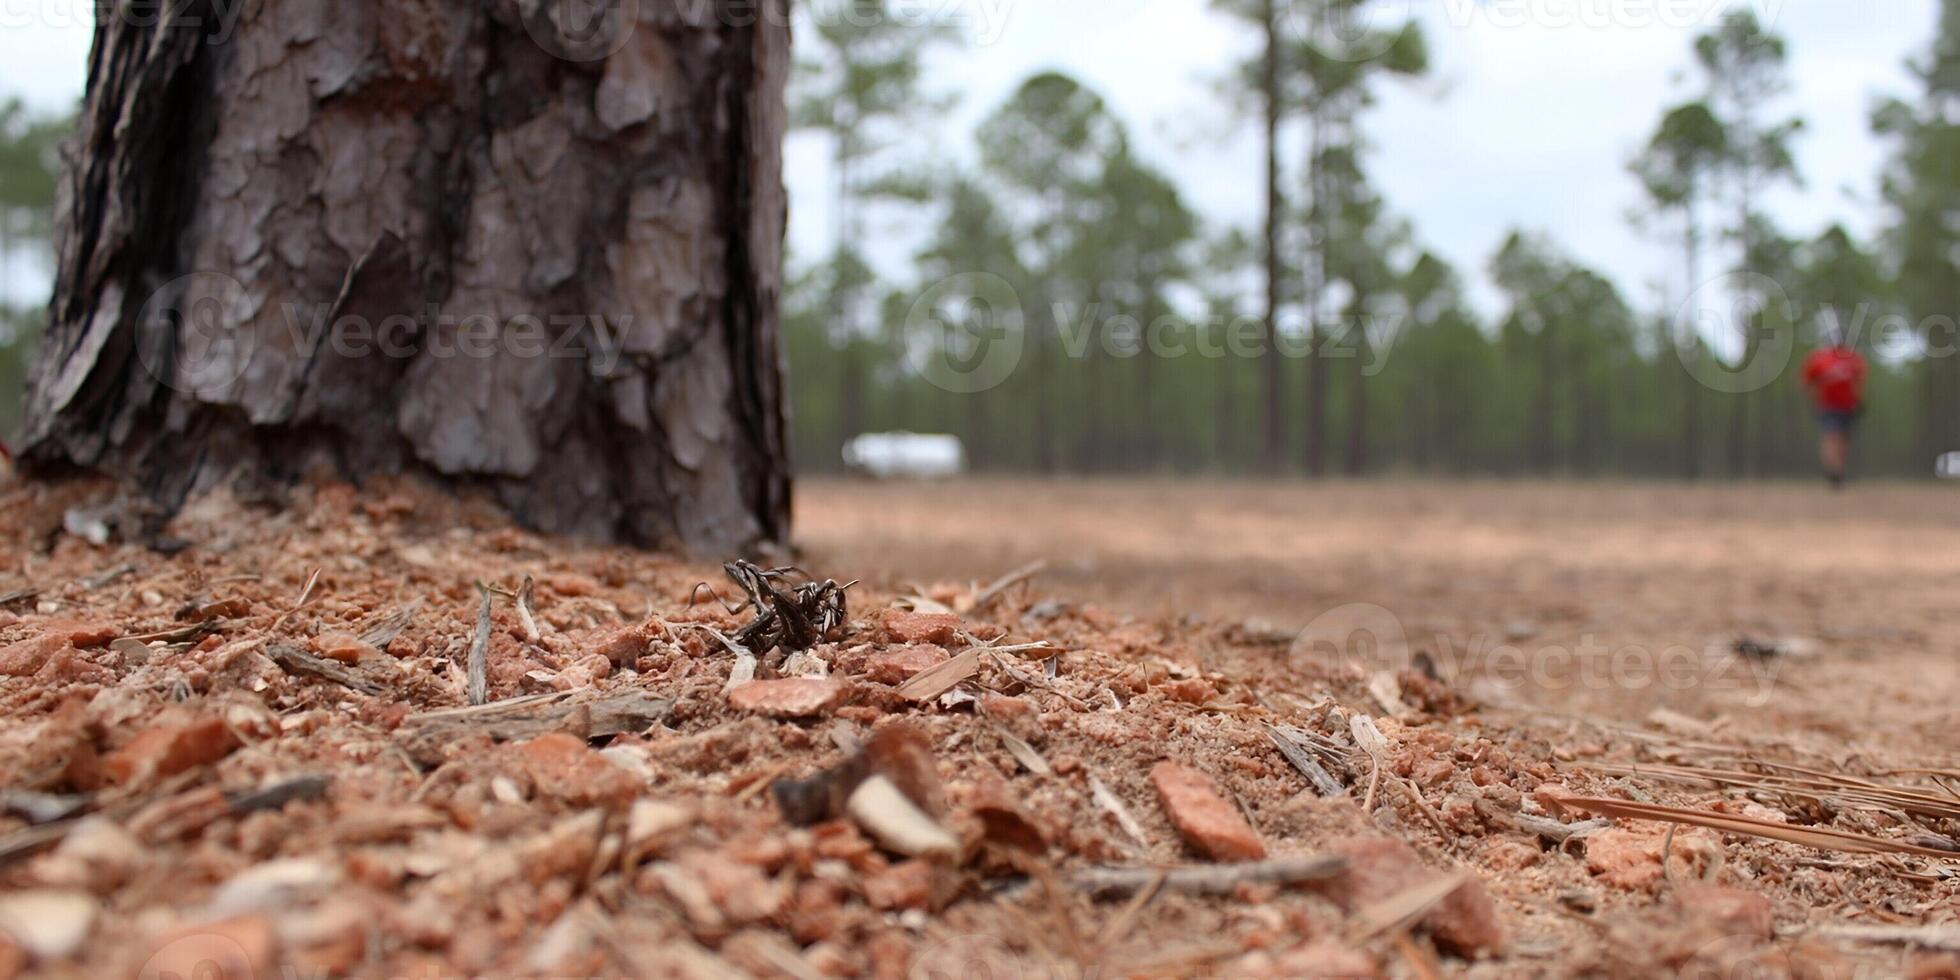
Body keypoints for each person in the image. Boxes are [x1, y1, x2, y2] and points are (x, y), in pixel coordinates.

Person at [1799, 335, 1867, 489]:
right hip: (1827, 406)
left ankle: (1838, 470)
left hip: (1847, 407)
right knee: (1831, 436)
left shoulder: (1854, 359)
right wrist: (1813, 400)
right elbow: (1807, 381)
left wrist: (1858, 401)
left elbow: (1859, 382)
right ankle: (1833, 471)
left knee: (1843, 441)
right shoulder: (1820, 359)